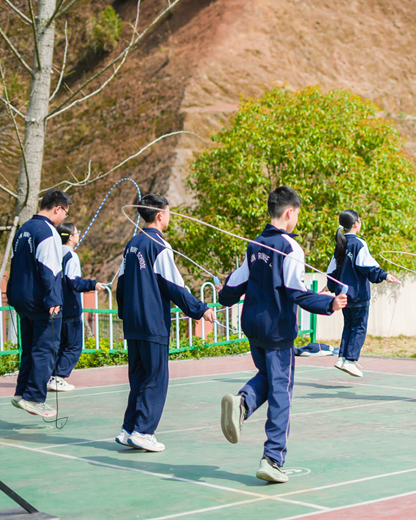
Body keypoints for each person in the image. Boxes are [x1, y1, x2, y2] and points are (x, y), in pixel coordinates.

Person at [219, 186, 348, 483]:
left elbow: (236, 284)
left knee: (266, 377)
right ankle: (272, 458)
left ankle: (243, 403)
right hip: (277, 331)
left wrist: (223, 294)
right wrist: (330, 303)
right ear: (290, 212)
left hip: (253, 326)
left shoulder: (254, 244)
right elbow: (297, 292)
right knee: (281, 394)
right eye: (298, 214)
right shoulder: (290, 248)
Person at [115, 193, 216, 452]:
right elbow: (173, 285)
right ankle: (144, 431)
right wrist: (200, 309)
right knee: (156, 377)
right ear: (160, 215)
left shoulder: (132, 244)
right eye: (169, 213)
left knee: (138, 377)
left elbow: (122, 285)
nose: (169, 217)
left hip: (134, 324)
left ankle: (128, 429)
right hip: (152, 322)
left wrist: (125, 314)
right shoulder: (159, 246)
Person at [8, 190, 71, 418]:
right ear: (57, 208)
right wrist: (54, 298)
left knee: (29, 349)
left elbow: (15, 265)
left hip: (21, 299)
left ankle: (21, 393)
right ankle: (34, 397)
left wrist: (11, 294)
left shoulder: (24, 229)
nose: (64, 217)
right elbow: (50, 268)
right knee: (45, 350)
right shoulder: (48, 232)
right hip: (40, 302)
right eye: (65, 212)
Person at [326, 209, 400, 377]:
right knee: (359, 327)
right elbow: (368, 266)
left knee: (349, 326)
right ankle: (350, 360)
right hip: (358, 295)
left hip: (343, 296)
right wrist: (385, 275)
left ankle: (342, 357)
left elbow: (332, 270)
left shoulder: (340, 243)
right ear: (356, 224)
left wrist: (330, 285)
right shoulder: (359, 243)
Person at [48, 222, 105, 392]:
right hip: (69, 307)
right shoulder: (71, 256)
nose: (78, 234)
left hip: (54, 306)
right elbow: (74, 281)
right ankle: (58, 377)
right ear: (71, 237)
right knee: (73, 345)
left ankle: (51, 376)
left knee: (58, 344)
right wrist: (93, 285)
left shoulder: (52, 253)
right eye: (76, 232)